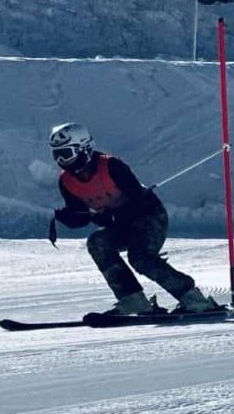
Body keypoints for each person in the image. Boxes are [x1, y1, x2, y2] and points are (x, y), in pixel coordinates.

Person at [49, 122, 221, 315]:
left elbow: (140, 201)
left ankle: (194, 299)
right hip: (120, 226)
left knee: (140, 257)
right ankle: (133, 299)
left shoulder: (112, 166)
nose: (62, 161)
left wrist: (113, 215)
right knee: (97, 242)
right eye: (57, 155)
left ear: (84, 149)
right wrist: (69, 218)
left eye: (67, 154)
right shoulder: (66, 182)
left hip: (149, 218)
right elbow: (82, 215)